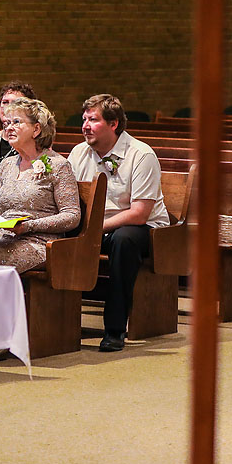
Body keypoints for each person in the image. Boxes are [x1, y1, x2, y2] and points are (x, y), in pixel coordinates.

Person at [0, 98, 80, 364]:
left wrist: (29, 225)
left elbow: (72, 216)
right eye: (6, 123)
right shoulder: (7, 165)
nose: (8, 128)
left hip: (41, 241)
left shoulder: (58, 165)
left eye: (16, 122)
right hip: (4, 234)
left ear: (37, 129)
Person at [67, 94, 170, 352]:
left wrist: (94, 229)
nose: (86, 126)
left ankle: (114, 330)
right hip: (96, 226)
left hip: (145, 231)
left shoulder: (141, 155)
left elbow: (140, 213)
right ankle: (59, 325)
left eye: (94, 120)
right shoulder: (79, 153)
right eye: (84, 119)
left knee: (123, 241)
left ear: (113, 124)